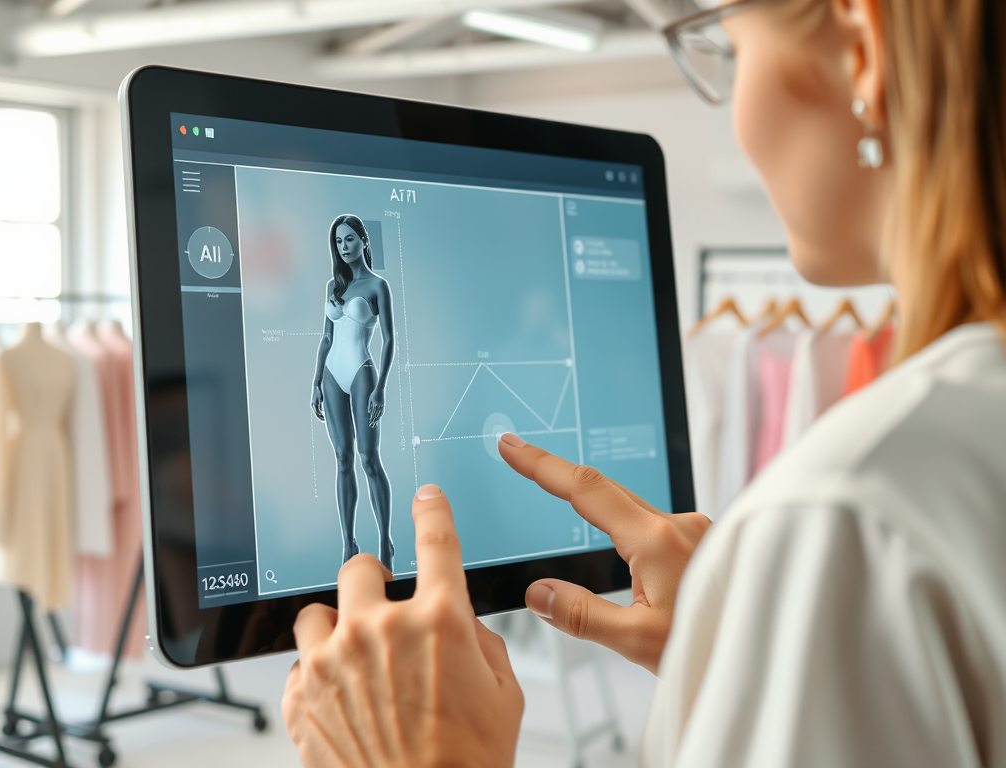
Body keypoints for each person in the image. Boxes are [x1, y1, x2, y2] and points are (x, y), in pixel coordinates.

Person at [284, 0, 1006, 765]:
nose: (734, 111)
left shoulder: (846, 522)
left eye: (729, 50)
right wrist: (750, 645)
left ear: (863, 49)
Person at [310, 214, 396, 572]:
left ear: (363, 240)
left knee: (368, 459)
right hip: (331, 375)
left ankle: (385, 543)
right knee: (343, 460)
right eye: (338, 242)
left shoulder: (379, 286)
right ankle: (349, 544)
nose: (344, 247)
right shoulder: (333, 285)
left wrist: (381, 388)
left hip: (362, 373)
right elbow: (327, 338)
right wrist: (315, 381)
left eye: (349, 239)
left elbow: (390, 339)